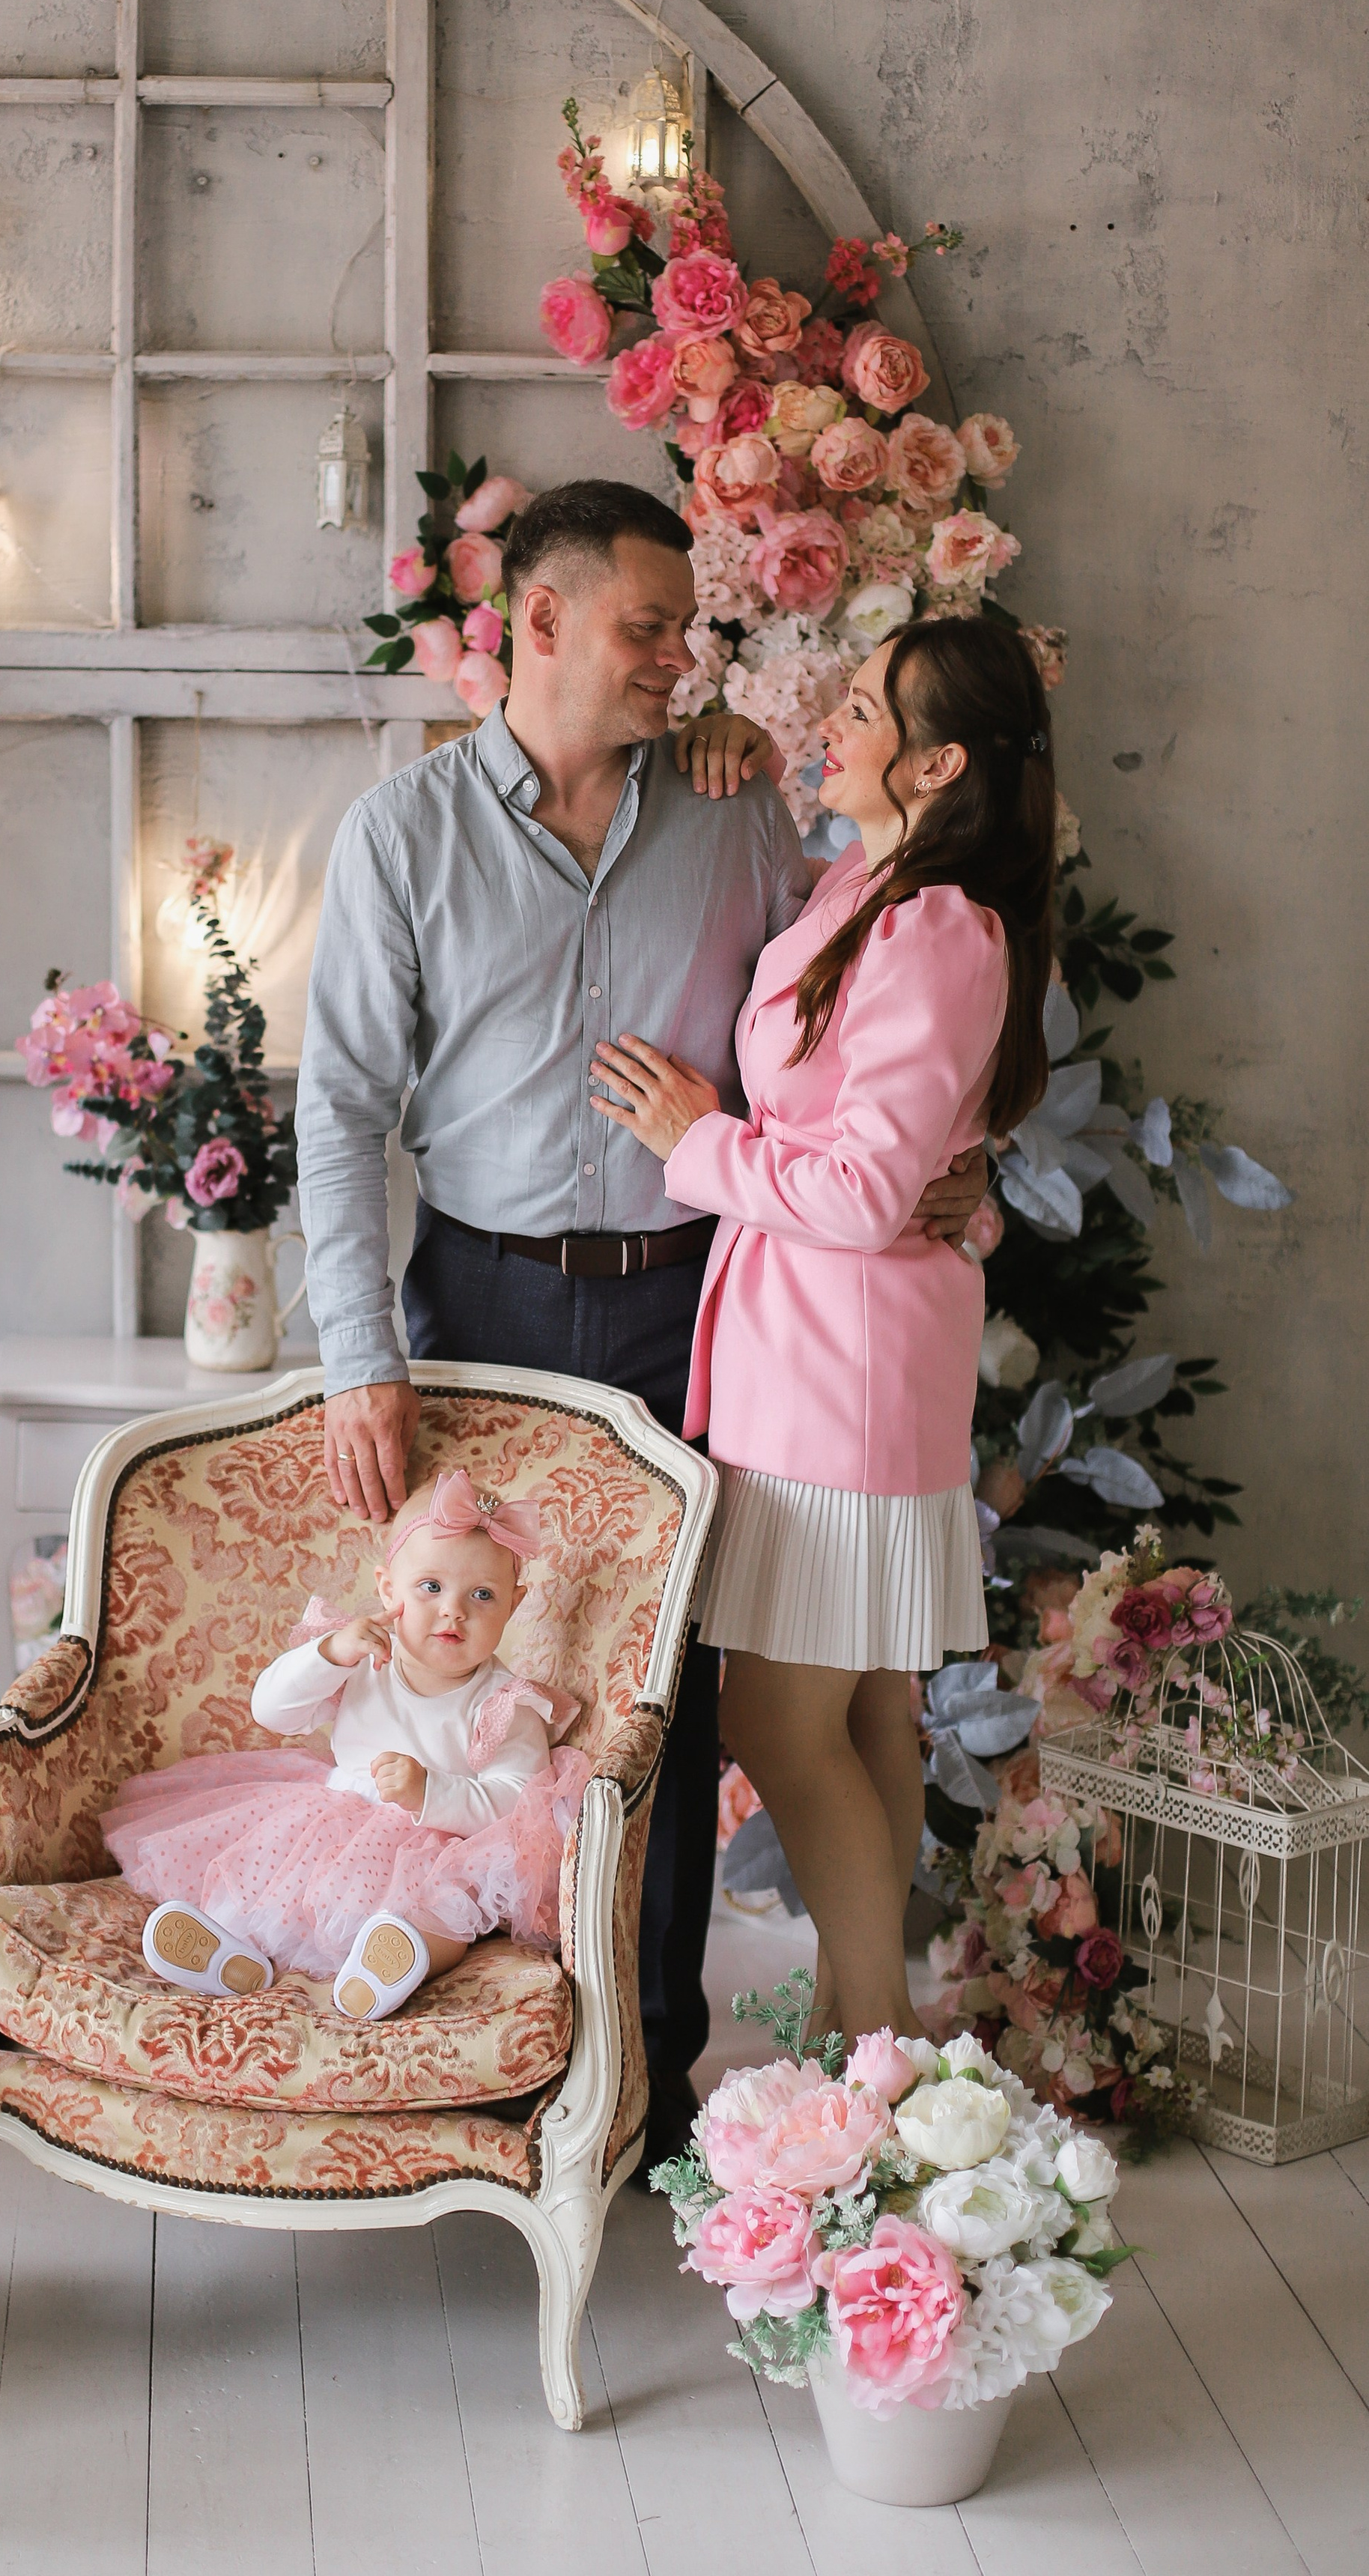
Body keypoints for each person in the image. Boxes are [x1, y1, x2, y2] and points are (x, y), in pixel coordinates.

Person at [295, 481, 987, 2166]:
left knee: (666, 1701)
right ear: (535, 625)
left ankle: (648, 2081)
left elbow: (857, 1024)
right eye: (649, 629)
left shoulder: (739, 812)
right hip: (477, 1300)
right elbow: (338, 1111)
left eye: (690, 630)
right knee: (477, 1677)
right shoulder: (403, 836)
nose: (685, 662)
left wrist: (949, 1171)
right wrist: (355, 1352)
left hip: (704, 1312)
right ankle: (469, 2057)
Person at [589, 613, 1057, 2047]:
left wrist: (698, 1136)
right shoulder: (872, 886)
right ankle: (876, 2039)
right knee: (858, 1716)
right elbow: (889, 1156)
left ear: (940, 762)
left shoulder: (935, 929)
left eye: (864, 707)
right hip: (826, 1349)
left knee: (781, 1724)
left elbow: (861, 1191)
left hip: (839, 1366)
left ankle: (876, 2043)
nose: (832, 723)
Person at [103, 1470, 586, 2022]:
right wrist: (329, 1654)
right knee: (268, 1882)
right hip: (333, 1817)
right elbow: (273, 1711)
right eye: (430, 1588)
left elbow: (520, 1802)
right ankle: (229, 1949)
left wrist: (432, 1791)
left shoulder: (506, 1705)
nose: (454, 1611)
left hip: (440, 1844)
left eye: (482, 1595)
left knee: (446, 1913)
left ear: (514, 1605)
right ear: (387, 1588)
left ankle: (399, 1959)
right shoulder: (362, 1656)